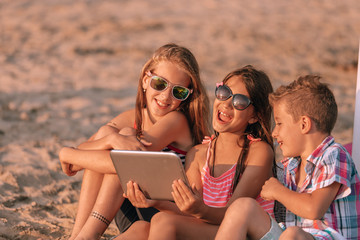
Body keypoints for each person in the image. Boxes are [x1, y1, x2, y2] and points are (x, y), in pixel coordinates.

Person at [58, 43, 211, 240]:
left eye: (178, 91)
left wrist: (67, 153)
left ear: (188, 95)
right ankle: (77, 235)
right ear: (146, 80)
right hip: (132, 202)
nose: (166, 96)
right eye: (160, 84)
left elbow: (83, 158)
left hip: (165, 210)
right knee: (111, 134)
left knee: (123, 157)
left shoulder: (177, 121)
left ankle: (87, 236)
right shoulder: (134, 116)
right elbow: (82, 155)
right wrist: (111, 139)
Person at [121, 65, 275, 240]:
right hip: (209, 229)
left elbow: (235, 214)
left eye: (239, 102)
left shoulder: (259, 152)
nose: (226, 104)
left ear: (255, 116)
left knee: (164, 222)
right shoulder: (198, 153)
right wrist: (155, 202)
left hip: (242, 232)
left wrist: (200, 209)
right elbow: (188, 212)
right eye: (223, 92)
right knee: (141, 228)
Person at [215, 75, 360, 240]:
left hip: (325, 237)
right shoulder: (290, 165)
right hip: (289, 235)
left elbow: (314, 209)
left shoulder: (334, 155)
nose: (274, 133)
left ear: (304, 124)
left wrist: (278, 191)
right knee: (242, 207)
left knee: (292, 234)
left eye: (279, 123)